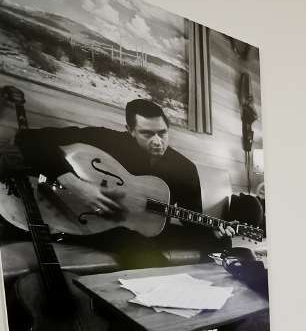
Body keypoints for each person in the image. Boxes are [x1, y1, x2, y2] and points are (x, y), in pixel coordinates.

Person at [14, 98, 228, 266]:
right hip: (94, 223)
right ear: (130, 130)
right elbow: (29, 140)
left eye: (162, 133)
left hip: (146, 228)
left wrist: (214, 229)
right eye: (147, 134)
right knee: (139, 249)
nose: (157, 141)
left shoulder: (184, 168)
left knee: (219, 243)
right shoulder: (108, 140)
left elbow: (192, 218)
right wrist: (76, 185)